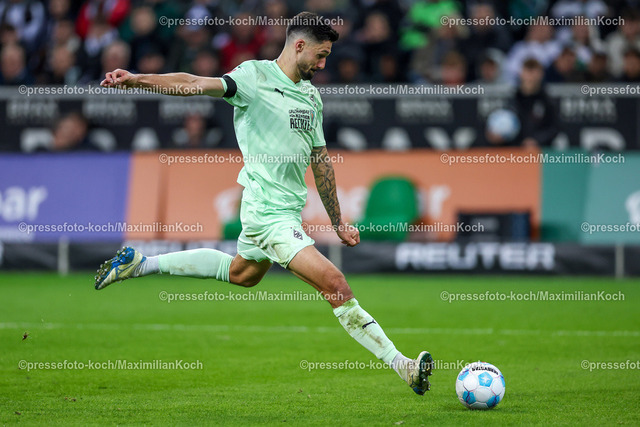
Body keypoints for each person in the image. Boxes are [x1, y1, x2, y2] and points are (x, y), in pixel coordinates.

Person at [94, 11, 433, 396]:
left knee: (243, 273)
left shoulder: (311, 96)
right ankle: (403, 365)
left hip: (286, 211)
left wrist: (338, 221)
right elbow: (193, 83)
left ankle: (141, 264)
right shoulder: (253, 77)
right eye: (320, 56)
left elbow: (320, 161)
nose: (323, 65)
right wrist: (137, 79)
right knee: (335, 283)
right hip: (266, 213)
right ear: (299, 45)